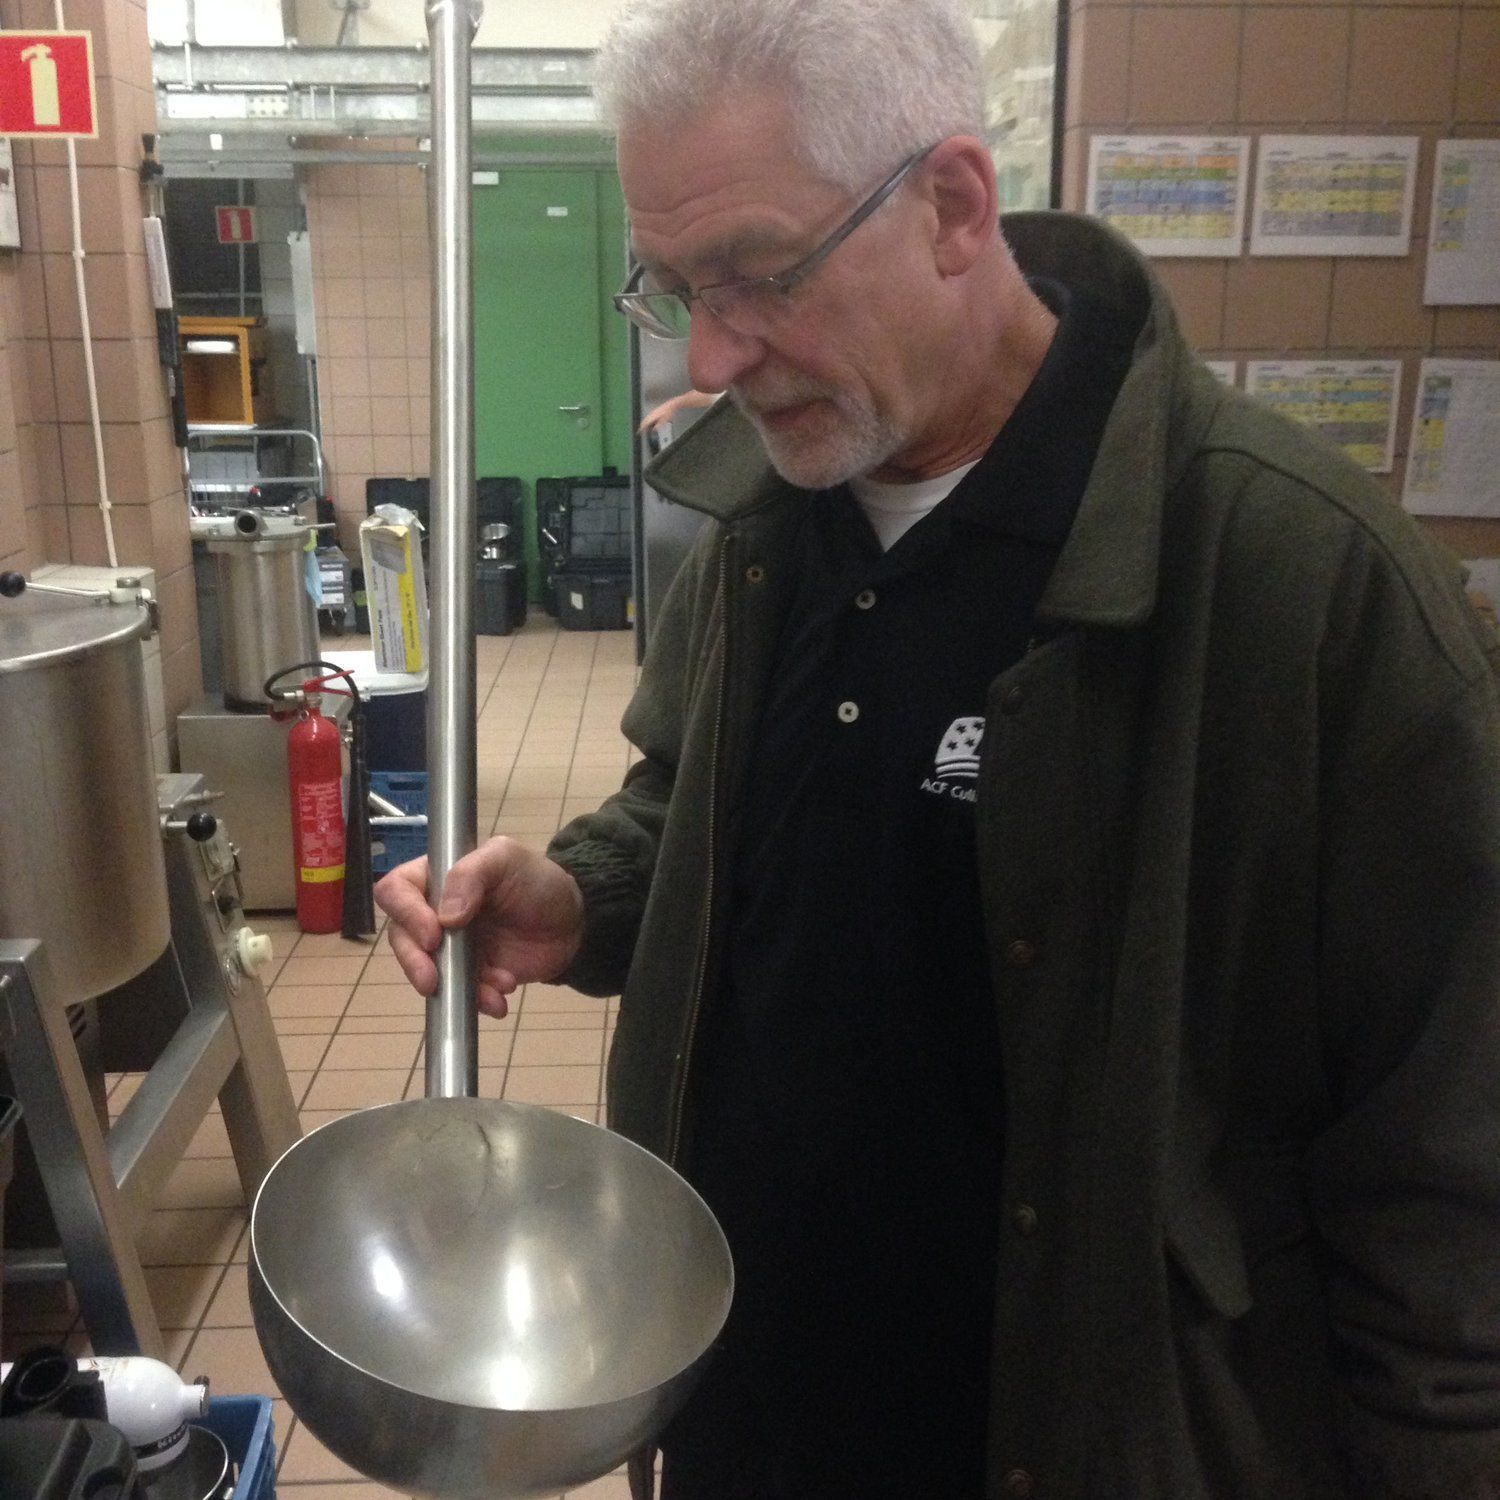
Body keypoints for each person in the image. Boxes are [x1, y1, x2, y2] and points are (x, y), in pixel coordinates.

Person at [375, 0, 1500, 1495]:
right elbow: (700, 803)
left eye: (758, 275)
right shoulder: (764, 518)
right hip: (746, 1407)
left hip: (1066, 1439)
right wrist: (587, 895)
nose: (712, 349)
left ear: (955, 205)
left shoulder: (1305, 596)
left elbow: (1445, 1190)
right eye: (674, 286)